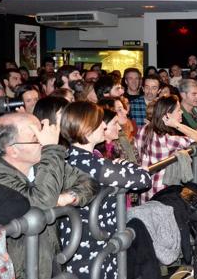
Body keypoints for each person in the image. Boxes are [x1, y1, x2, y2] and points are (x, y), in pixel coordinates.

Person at [0, 112, 95, 279]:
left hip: (48, 261)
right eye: (36, 138)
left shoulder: (40, 162)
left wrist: (69, 196)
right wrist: (51, 149)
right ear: (13, 150)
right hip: (16, 269)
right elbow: (41, 200)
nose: (44, 141)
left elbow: (88, 181)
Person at [59, 102, 150, 279]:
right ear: (86, 127)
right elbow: (143, 179)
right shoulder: (92, 164)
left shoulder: (70, 157)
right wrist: (125, 165)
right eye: (99, 121)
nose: (104, 125)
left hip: (79, 242)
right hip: (91, 245)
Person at [135, 95, 197, 202]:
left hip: (144, 191)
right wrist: (177, 124)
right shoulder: (167, 140)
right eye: (178, 110)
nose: (181, 112)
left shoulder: (143, 129)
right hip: (161, 194)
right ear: (167, 115)